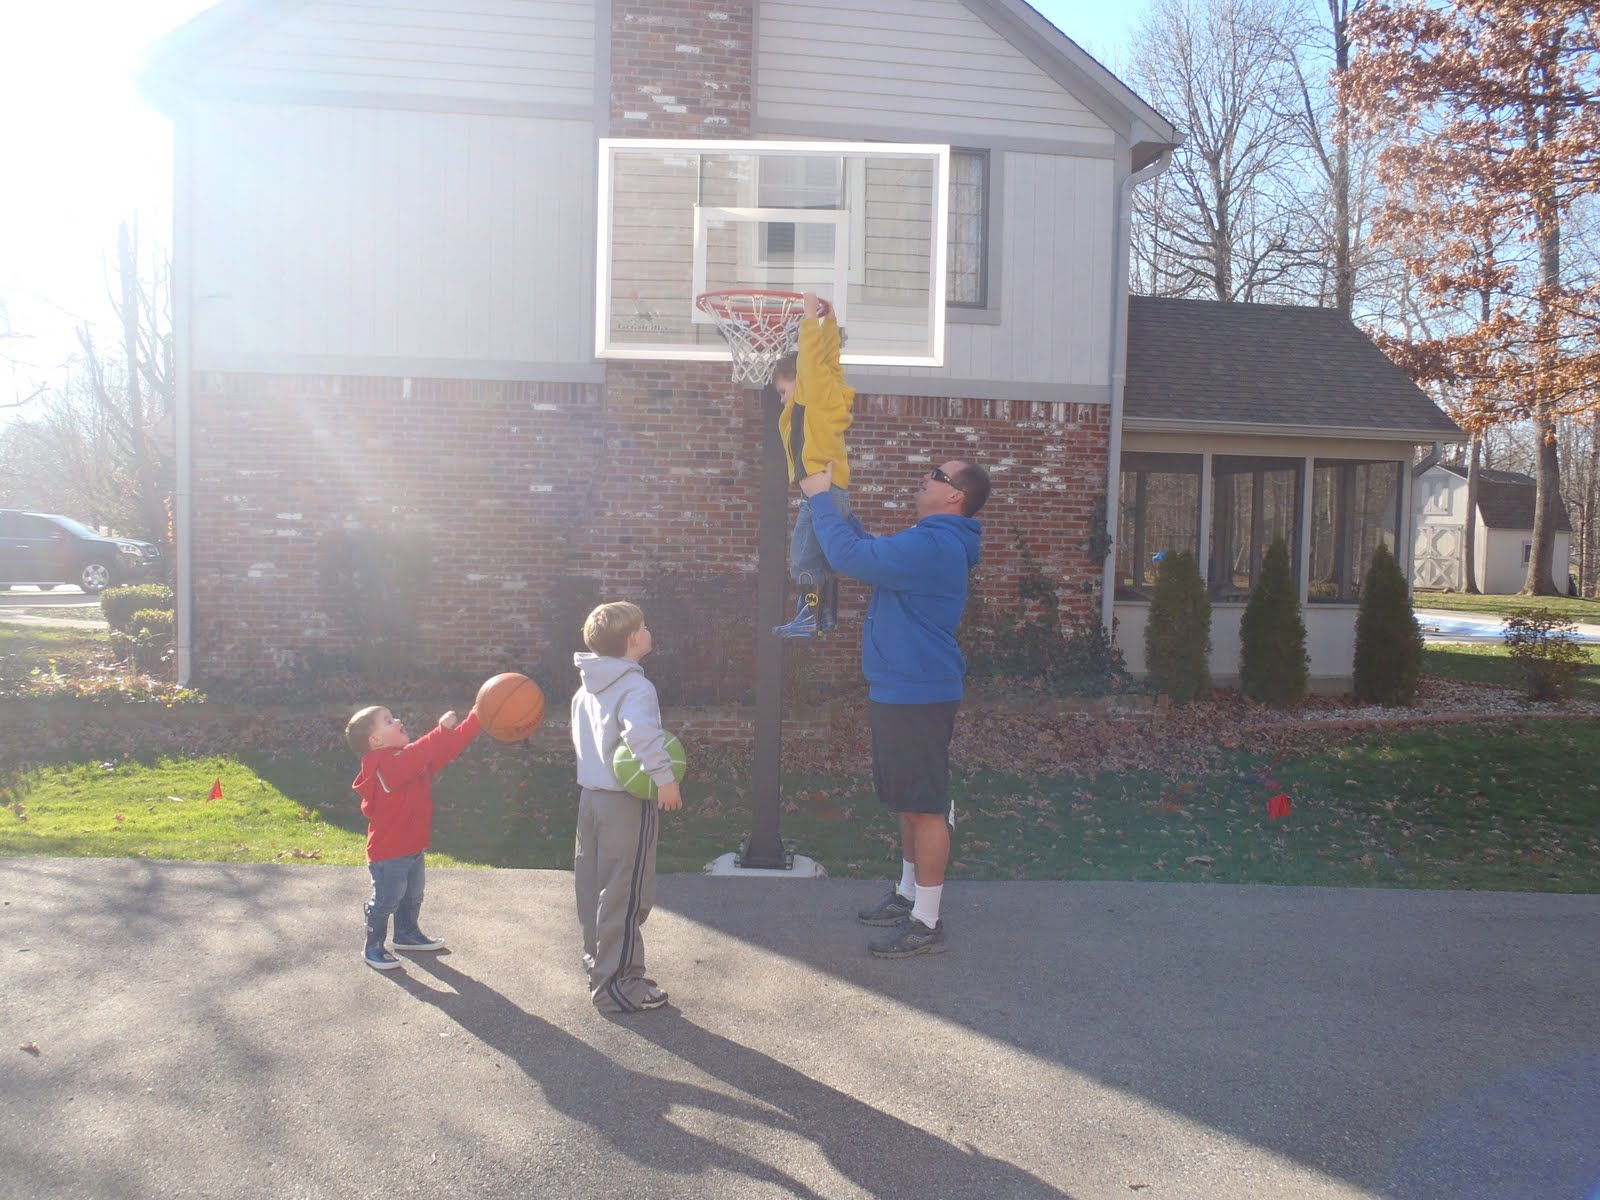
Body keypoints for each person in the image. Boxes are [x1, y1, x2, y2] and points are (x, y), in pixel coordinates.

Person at [799, 457, 991, 957]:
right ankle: (908, 895)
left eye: (937, 475)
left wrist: (820, 500)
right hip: (901, 687)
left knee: (925, 808)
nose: (925, 477)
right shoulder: (926, 540)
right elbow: (868, 550)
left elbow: (848, 556)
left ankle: (926, 923)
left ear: (955, 496)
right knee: (908, 802)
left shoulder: (935, 544)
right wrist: (840, 507)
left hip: (918, 691)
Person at [571, 601, 684, 1013]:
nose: (649, 631)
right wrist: (664, 779)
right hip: (625, 800)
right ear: (634, 638)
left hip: (590, 799)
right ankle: (618, 986)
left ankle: (599, 963)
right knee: (626, 892)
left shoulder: (587, 686)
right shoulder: (636, 687)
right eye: (645, 626)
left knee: (593, 887)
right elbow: (641, 736)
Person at [346, 702, 481, 970]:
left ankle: (406, 934)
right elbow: (420, 753)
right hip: (388, 853)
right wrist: (440, 730)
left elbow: (444, 749)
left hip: (412, 846)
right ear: (375, 740)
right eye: (388, 720)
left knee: (412, 896)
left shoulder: (407, 759)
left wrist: (477, 718)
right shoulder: (380, 765)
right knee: (386, 901)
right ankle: (373, 947)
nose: (397, 720)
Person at [771, 291, 856, 638]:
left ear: (800, 379)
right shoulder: (830, 393)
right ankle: (825, 618)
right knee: (821, 559)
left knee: (803, 559)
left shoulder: (812, 395)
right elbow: (831, 362)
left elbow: (812, 360)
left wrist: (810, 316)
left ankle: (807, 618)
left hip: (822, 491)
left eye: (782, 391)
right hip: (829, 493)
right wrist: (829, 322)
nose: (782, 399)